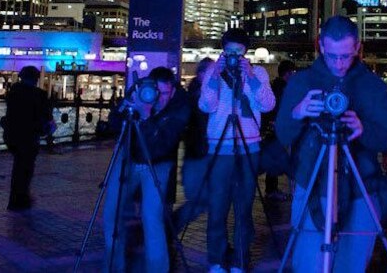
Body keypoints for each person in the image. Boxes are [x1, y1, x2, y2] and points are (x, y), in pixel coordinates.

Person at [275, 15, 387, 273]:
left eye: (346, 56)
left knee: (351, 265)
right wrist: (298, 113)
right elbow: (283, 135)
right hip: (312, 183)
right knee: (310, 263)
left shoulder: (372, 85)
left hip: (360, 186)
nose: (340, 64)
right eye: (332, 56)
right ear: (320, 45)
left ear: (357, 47)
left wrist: (362, 129)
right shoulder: (302, 82)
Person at [198, 28, 275, 273]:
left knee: (244, 208)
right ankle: (217, 260)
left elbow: (268, 104)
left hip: (248, 147)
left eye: (238, 52)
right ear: (222, 51)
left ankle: (241, 259)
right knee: (217, 207)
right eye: (229, 51)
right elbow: (205, 105)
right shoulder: (213, 71)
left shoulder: (258, 72)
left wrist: (250, 76)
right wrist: (215, 77)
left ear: (245, 53)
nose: (233, 56)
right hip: (220, 147)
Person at [103, 66, 190, 272]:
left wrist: (146, 116)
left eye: (165, 93)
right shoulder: (141, 92)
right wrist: (129, 104)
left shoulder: (181, 106)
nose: (158, 98)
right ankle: (115, 266)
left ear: (173, 90)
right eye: (155, 91)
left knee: (152, 217)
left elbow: (162, 145)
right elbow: (113, 123)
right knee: (111, 213)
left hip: (158, 161)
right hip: (128, 157)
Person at [3, 65, 54, 211]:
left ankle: (15, 199)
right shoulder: (39, 95)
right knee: (26, 168)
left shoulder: (13, 93)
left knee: (18, 166)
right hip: (30, 135)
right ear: (35, 79)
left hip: (12, 135)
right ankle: (21, 198)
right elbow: (45, 116)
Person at [174, 57, 214, 231]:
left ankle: (170, 227)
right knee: (201, 200)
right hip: (199, 154)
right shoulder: (196, 98)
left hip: (200, 153)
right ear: (201, 75)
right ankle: (170, 227)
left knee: (206, 201)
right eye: (212, 72)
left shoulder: (195, 95)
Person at [263, 59, 296, 200]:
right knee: (277, 158)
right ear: (288, 73)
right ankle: (273, 190)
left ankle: (272, 189)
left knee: (274, 157)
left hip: (271, 127)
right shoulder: (283, 89)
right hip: (278, 128)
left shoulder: (274, 85)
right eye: (293, 72)